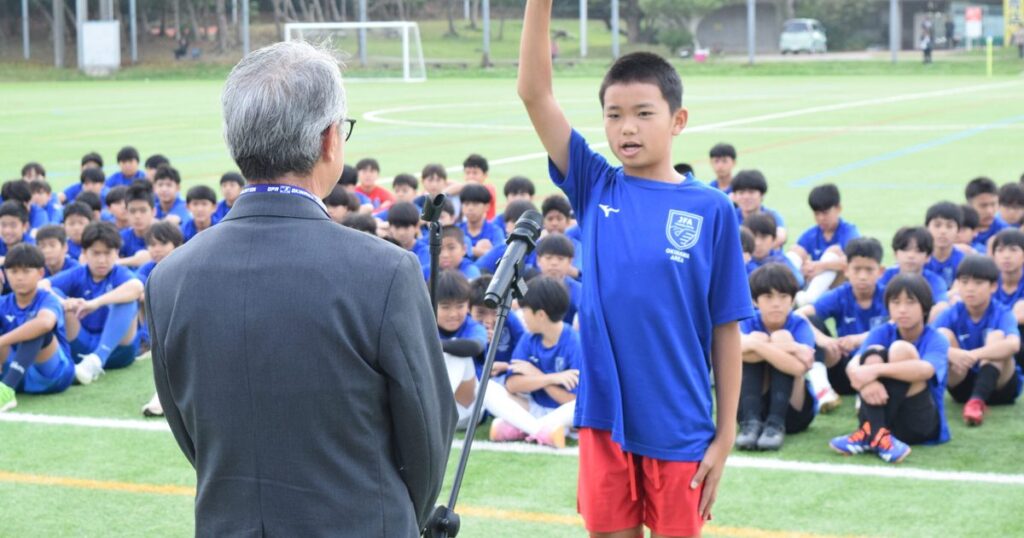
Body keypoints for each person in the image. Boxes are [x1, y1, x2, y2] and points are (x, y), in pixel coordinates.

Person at [145, 41, 454, 536]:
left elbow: (191, 436)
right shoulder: (384, 271)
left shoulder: (170, 278)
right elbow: (427, 438)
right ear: (330, 139)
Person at [519, 3, 753, 533]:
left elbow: (727, 327)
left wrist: (726, 433)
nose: (627, 128)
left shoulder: (711, 209)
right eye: (614, 115)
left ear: (678, 120)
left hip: (679, 420)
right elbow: (535, 94)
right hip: (604, 418)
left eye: (644, 113)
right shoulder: (595, 183)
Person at [830, 274, 951, 463]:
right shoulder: (882, 331)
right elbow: (854, 366)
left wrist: (875, 371)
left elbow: (926, 370)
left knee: (900, 350)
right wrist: (867, 383)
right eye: (895, 302)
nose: (902, 309)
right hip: (888, 421)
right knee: (873, 352)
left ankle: (871, 434)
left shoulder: (936, 338)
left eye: (910, 302)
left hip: (920, 423)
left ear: (925, 307)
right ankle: (876, 435)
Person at [42, 221, 143, 385]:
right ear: (84, 253)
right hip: (81, 348)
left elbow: (137, 288)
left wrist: (94, 303)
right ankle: (90, 361)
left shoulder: (120, 274)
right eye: (96, 253)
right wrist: (64, 302)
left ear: (117, 253)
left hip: (118, 351)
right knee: (55, 296)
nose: (102, 260)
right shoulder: (78, 273)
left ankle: (98, 359)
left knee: (128, 300)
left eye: (107, 253)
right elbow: (42, 285)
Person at [798, 237, 888, 412]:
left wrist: (858, 339)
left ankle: (866, 395)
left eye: (869, 270)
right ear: (846, 270)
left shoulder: (889, 296)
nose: (862, 276)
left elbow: (898, 326)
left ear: (880, 271)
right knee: (812, 321)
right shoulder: (841, 294)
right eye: (857, 269)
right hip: (842, 369)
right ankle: (823, 391)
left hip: (877, 368)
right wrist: (823, 339)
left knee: (880, 349)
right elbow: (799, 315)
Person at [932, 255, 1022, 426]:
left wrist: (973, 355)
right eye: (964, 282)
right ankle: (968, 400)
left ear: (993, 286)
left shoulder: (1002, 312)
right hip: (962, 386)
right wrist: (953, 353)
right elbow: (927, 340)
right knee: (943, 335)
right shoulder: (952, 312)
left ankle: (976, 402)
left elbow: (1014, 344)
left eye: (978, 283)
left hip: (1000, 388)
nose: (970, 289)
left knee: (997, 337)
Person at [494, 276, 582, 448]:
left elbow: (572, 399)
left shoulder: (574, 342)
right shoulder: (529, 338)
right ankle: (541, 430)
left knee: (578, 407)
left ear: (540, 314)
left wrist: (537, 375)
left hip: (565, 414)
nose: (522, 316)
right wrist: (551, 379)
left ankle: (526, 428)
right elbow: (512, 384)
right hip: (534, 407)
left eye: (524, 311)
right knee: (489, 390)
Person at [737, 264, 817, 451]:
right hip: (751, 404)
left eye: (783, 296)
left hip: (793, 412)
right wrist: (784, 347)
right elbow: (732, 351)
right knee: (758, 338)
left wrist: (760, 345)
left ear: (792, 300)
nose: (776, 303)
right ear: (755, 301)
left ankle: (775, 425)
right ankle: (750, 423)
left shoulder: (799, 323)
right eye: (768, 296)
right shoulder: (748, 320)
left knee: (780, 336)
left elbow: (799, 368)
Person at [0, 244, 75, 412]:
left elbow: (45, 323)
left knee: (38, 328)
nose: (19, 278)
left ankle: (5, 391)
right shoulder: (3, 302)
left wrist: (1, 341)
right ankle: (6, 387)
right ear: (5, 274)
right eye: (13, 272)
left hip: (54, 375)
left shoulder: (49, 299)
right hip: (19, 374)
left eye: (26, 272)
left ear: (41, 273)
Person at [138, 221, 185, 417]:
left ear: (177, 245)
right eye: (152, 244)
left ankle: (164, 398)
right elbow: (137, 290)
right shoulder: (148, 268)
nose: (156, 249)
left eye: (162, 244)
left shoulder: (185, 265)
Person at [789, 183, 859, 306]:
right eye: (816, 214)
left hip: (838, 286)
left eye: (825, 213)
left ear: (838, 209)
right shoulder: (810, 234)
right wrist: (807, 268)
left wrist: (821, 266)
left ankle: (808, 299)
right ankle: (787, 291)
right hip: (813, 281)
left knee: (834, 252)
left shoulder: (849, 232)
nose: (821, 218)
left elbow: (854, 262)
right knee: (795, 251)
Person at [877, 227, 949, 314]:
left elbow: (942, 304)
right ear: (895, 254)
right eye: (905, 250)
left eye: (918, 251)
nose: (911, 255)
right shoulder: (886, 275)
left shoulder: (934, 280)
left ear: (928, 257)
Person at [744, 213, 804, 287]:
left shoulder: (779, 259)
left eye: (763, 237)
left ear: (774, 239)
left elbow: (798, 280)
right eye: (753, 236)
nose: (757, 243)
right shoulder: (743, 262)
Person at [732, 169, 787, 247]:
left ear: (762, 195)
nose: (746, 197)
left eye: (751, 192)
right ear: (734, 196)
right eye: (741, 193)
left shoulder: (771, 216)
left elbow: (781, 237)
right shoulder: (730, 216)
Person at [535, 233, 581, 325]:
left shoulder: (579, 290)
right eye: (548, 258)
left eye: (560, 259)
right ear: (538, 260)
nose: (554, 263)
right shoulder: (529, 286)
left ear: (570, 262)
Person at [924, 201, 966, 289]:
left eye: (949, 226)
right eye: (937, 225)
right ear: (927, 228)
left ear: (958, 231)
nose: (943, 231)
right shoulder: (919, 258)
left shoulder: (963, 261)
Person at [458, 183, 504, 260]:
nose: (470, 208)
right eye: (466, 204)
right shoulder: (456, 230)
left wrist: (468, 250)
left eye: (475, 204)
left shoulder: (495, 231)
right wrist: (480, 251)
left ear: (487, 207)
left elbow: (500, 256)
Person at [966, 176, 1007, 254]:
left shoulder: (1004, 230)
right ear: (969, 205)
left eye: (993, 204)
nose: (989, 211)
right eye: (983, 206)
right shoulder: (957, 230)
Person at [118, 183, 155, 268]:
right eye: (132, 211)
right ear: (126, 213)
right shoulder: (121, 238)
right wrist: (135, 261)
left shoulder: (164, 236)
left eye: (143, 210)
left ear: (153, 211)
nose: (137, 216)